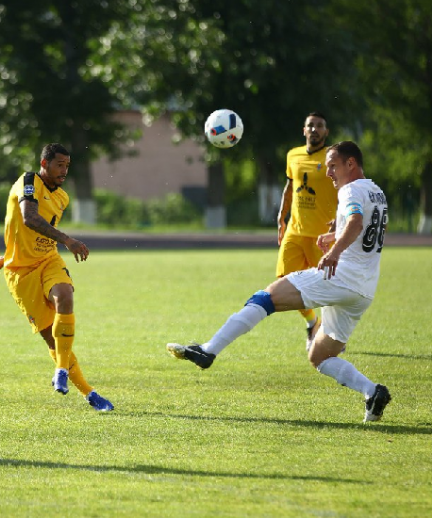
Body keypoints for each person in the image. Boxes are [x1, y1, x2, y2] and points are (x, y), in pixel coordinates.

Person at [167, 141, 391, 423]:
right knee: (320, 357)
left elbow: (356, 221)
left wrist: (333, 253)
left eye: (333, 166)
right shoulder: (377, 192)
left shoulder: (350, 189)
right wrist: (334, 237)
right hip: (364, 289)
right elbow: (370, 231)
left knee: (266, 297)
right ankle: (373, 392)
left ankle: (208, 351)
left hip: (341, 276)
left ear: (350, 164)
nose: (329, 173)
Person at [0, 143, 114, 411]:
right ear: (45, 164)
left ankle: (61, 370)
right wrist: (66, 240)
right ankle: (89, 393)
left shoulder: (62, 197)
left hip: (48, 260)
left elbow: (36, 234)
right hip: (20, 273)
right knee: (51, 338)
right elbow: (29, 219)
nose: (64, 170)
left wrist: (57, 243)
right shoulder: (29, 181)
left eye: (67, 166)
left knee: (65, 295)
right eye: (59, 165)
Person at [277, 112, 338, 351]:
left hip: (322, 235)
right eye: (310, 125)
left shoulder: (334, 157)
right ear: (304, 130)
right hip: (295, 231)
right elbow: (290, 187)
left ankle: (332, 335)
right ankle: (312, 322)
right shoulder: (293, 155)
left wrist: (341, 220)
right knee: (285, 282)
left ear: (326, 132)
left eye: (320, 126)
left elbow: (345, 189)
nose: (314, 129)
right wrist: (281, 218)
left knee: (328, 288)